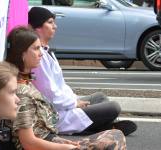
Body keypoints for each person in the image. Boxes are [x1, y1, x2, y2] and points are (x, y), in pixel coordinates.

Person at [5, 26, 127, 150]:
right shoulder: (21, 92)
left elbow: (40, 132)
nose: (41, 53)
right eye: (36, 49)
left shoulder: (26, 81)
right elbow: (29, 143)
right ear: (22, 54)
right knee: (114, 137)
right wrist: (65, 148)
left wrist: (62, 142)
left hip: (51, 139)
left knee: (115, 135)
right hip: (46, 145)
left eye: (40, 48)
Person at [28, 6, 137, 136]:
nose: (55, 26)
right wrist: (75, 103)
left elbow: (61, 86)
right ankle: (104, 126)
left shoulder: (46, 51)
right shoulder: (37, 55)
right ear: (37, 27)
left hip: (65, 105)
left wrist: (76, 100)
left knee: (100, 97)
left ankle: (103, 126)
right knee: (113, 107)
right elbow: (50, 94)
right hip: (55, 114)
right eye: (50, 22)